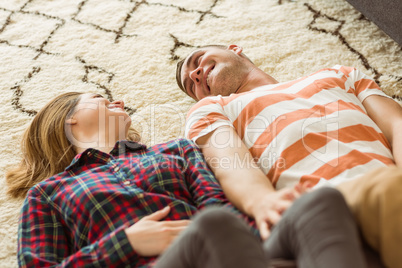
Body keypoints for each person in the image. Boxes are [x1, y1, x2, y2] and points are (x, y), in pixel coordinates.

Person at [6, 92, 366, 267]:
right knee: (212, 226)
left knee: (319, 202)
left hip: (229, 252)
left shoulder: (176, 150)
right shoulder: (48, 193)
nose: (118, 99)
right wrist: (127, 243)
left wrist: (280, 215)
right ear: (68, 119)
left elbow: (220, 207)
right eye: (100, 97)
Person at [177, 44, 402, 268]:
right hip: (318, 211)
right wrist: (262, 201)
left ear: (234, 49)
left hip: (388, 191)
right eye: (190, 85)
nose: (195, 75)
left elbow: (396, 124)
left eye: (197, 60)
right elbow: (230, 162)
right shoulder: (212, 108)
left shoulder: (340, 74)